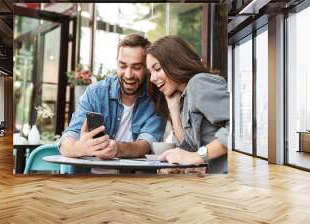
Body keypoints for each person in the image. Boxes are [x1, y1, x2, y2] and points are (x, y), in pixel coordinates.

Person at [59, 34, 166, 173]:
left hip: (135, 185)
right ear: (116, 63)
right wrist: (81, 147)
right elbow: (67, 141)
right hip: (88, 183)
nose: (128, 74)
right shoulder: (96, 93)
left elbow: (146, 145)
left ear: (147, 67)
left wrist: (118, 149)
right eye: (122, 65)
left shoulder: (156, 98)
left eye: (136, 67)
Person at [146, 36, 229, 174]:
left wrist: (198, 156)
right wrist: (173, 107)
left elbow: (238, 131)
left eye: (158, 69)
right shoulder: (184, 99)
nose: (152, 78)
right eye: (150, 72)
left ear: (175, 63)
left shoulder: (198, 83)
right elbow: (188, 150)